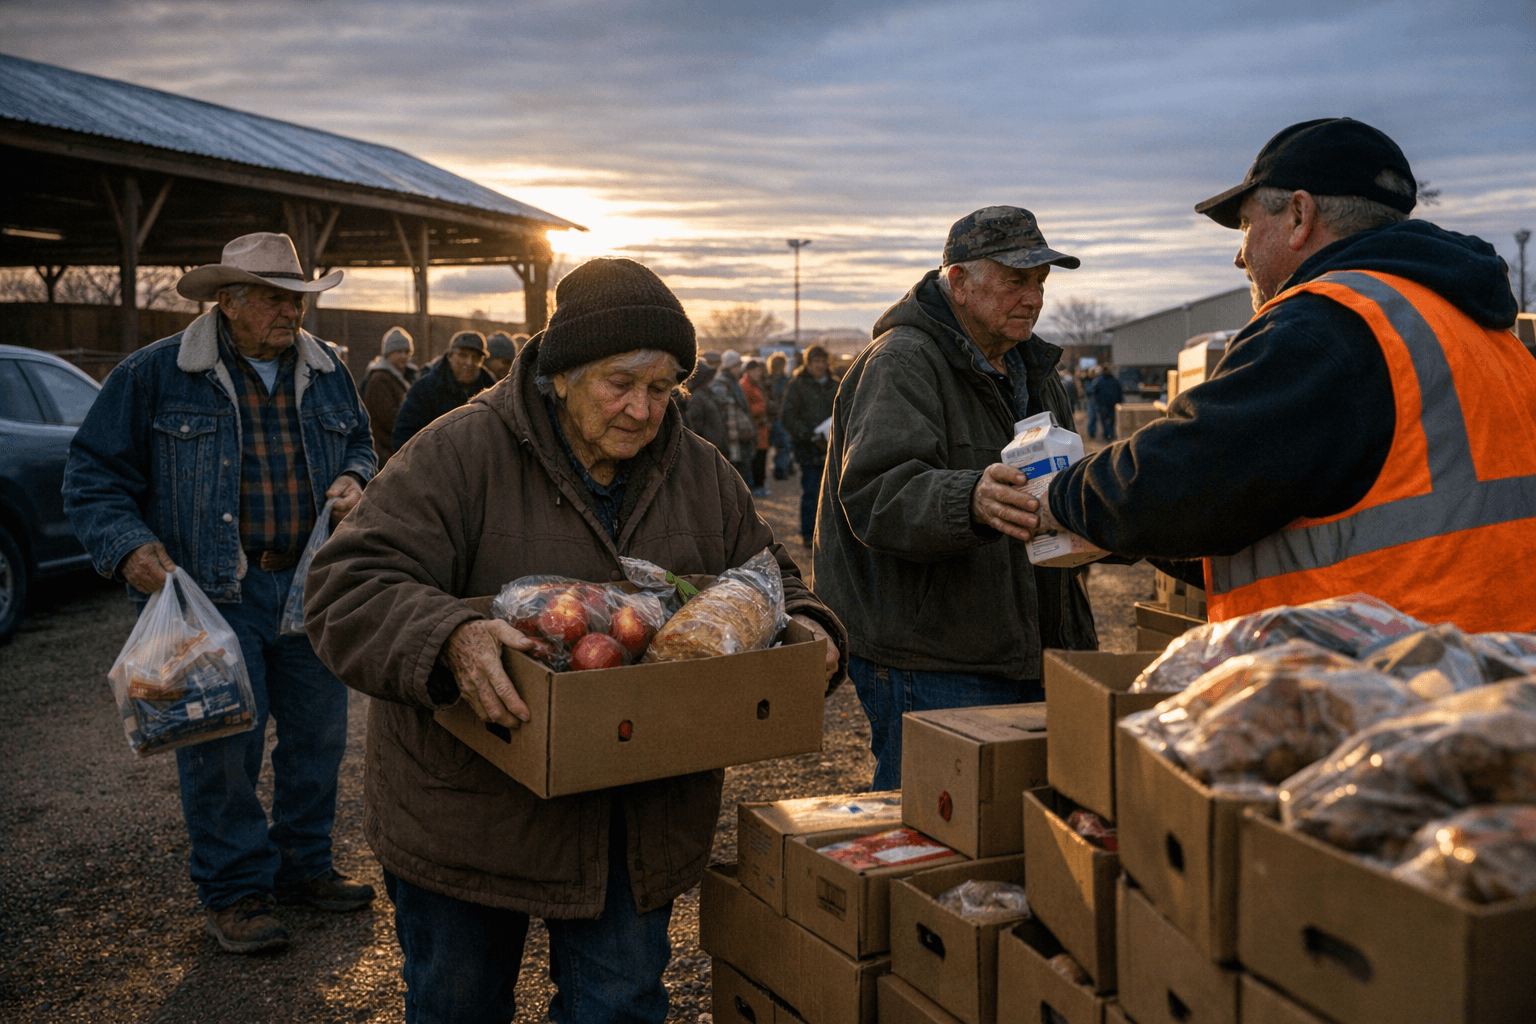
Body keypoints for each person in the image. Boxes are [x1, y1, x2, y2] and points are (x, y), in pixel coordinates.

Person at [301, 257, 845, 1024]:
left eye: (662, 389)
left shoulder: (702, 472)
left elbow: (769, 576)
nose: (642, 410)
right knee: (457, 1006)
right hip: (472, 817)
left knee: (619, 1010)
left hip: (633, 820)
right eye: (620, 383)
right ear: (561, 374)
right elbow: (346, 586)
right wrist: (449, 634)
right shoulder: (458, 452)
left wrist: (808, 625)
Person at [1044, 118, 1536, 631]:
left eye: (1247, 226)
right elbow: (1286, 514)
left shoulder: (1325, 325)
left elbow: (1186, 477)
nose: (1240, 256)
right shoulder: (1479, 328)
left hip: (1390, 679)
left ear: (1300, 215)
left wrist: (1059, 496)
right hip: (1496, 671)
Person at [61, 232, 378, 954]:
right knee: (220, 746)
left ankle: (304, 866)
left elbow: (361, 443)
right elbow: (91, 477)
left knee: (318, 738)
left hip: (308, 586)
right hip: (211, 590)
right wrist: (129, 548)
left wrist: (357, 479)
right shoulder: (156, 375)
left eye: (296, 298)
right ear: (227, 301)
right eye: (272, 298)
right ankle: (236, 891)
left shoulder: (328, 373)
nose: (289, 312)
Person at [813, 207, 1100, 789]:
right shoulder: (901, 361)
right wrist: (969, 498)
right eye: (1016, 280)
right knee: (933, 828)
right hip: (933, 658)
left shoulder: (1037, 372)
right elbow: (875, 493)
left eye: (1040, 283)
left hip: (1027, 646)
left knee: (1009, 828)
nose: (1033, 298)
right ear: (960, 282)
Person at [391, 330, 495, 450]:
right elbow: (404, 434)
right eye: (463, 355)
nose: (469, 362)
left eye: (475, 357)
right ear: (450, 356)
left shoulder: (490, 390)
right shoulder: (426, 388)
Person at [780, 344, 839, 547]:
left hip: (832, 446)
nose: (820, 365)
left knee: (834, 494)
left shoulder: (835, 384)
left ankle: (830, 535)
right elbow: (787, 415)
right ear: (808, 363)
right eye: (816, 362)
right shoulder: (798, 385)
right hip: (807, 447)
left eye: (823, 361)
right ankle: (808, 534)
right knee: (811, 491)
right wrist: (807, 434)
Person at [363, 325, 418, 467]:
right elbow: (391, 419)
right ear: (387, 353)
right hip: (386, 454)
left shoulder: (403, 378)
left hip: (396, 450)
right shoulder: (380, 379)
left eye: (407, 351)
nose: (404, 356)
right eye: (399, 351)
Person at [707, 348, 756, 488]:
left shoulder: (733, 382)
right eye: (736, 366)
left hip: (738, 434)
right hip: (731, 434)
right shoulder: (721, 383)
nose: (738, 368)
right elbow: (724, 408)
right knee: (733, 477)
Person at [739, 358, 773, 497]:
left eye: (759, 370)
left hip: (760, 428)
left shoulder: (755, 384)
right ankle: (756, 487)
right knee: (757, 459)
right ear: (749, 371)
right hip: (755, 428)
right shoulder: (745, 386)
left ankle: (758, 486)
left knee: (761, 457)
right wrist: (763, 407)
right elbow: (745, 407)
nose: (758, 373)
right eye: (756, 370)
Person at [766, 351, 795, 480]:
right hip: (780, 417)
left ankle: (784, 466)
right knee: (784, 444)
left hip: (772, 417)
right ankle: (781, 468)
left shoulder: (767, 380)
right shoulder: (786, 381)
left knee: (781, 444)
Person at [1093, 365, 1123, 441]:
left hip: (1112, 404)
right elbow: (1095, 393)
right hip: (1103, 404)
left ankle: (1110, 433)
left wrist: (1119, 401)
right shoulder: (1099, 381)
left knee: (1112, 420)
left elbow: (1119, 391)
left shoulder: (1114, 380)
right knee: (1104, 421)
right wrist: (1097, 403)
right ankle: (1108, 434)